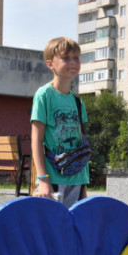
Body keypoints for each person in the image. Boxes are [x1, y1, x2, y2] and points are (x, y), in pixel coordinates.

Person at [31, 37, 89, 208]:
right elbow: (36, 140)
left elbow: (80, 145)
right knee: (50, 228)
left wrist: (84, 185)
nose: (73, 62)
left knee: (70, 228)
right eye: (66, 58)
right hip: (53, 178)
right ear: (50, 64)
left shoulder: (78, 103)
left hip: (77, 178)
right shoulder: (44, 95)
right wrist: (43, 180)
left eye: (76, 57)